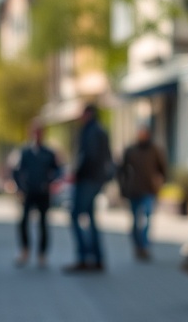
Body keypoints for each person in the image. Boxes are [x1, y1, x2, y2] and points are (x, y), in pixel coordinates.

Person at [64, 103, 113, 273]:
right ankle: (97, 258)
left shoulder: (90, 131)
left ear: (88, 114)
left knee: (75, 215)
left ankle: (84, 257)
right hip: (96, 179)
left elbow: (88, 156)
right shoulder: (100, 130)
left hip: (87, 179)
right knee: (90, 218)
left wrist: (76, 173)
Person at [12, 120, 61, 268]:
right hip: (29, 192)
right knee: (23, 221)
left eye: (40, 132)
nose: (37, 135)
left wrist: (50, 181)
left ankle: (42, 254)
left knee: (43, 223)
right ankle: (25, 250)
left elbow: (58, 170)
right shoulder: (25, 152)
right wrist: (21, 187)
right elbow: (16, 171)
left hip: (43, 192)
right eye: (35, 132)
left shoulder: (49, 153)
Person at [117, 124, 167, 261]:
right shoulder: (131, 150)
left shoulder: (154, 150)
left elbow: (162, 168)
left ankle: (144, 246)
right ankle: (137, 245)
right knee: (135, 221)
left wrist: (161, 182)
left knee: (146, 218)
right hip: (133, 190)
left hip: (148, 190)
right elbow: (121, 170)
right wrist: (123, 188)